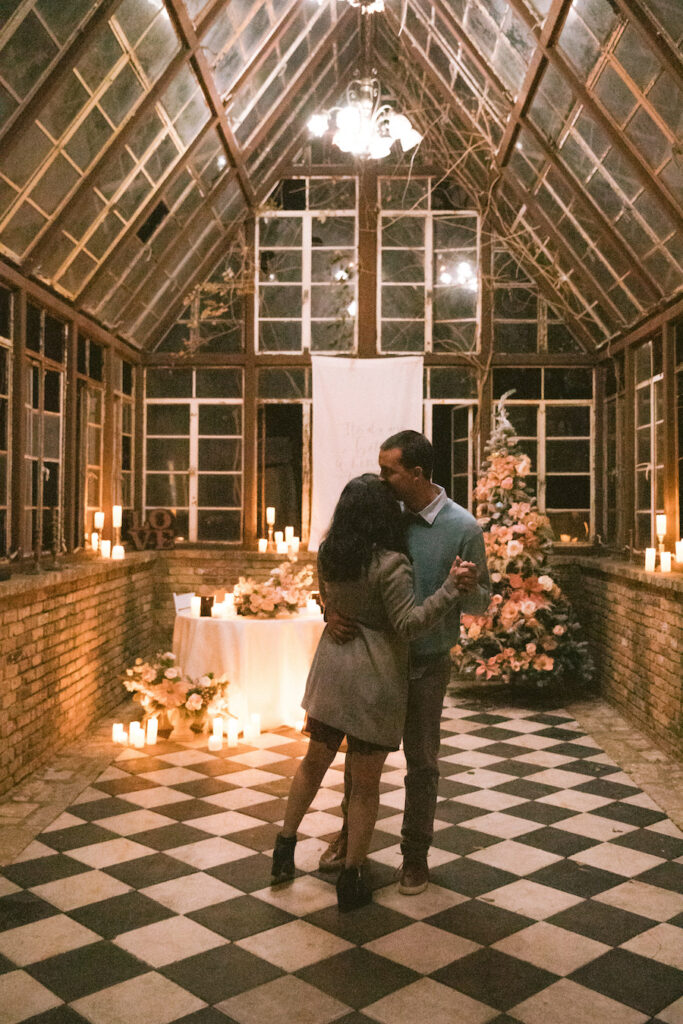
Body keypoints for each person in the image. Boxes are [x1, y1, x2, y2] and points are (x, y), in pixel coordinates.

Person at [271, 473, 479, 912]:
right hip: (372, 680)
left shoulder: (330, 554)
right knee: (365, 786)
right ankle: (351, 877)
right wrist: (449, 589)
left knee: (313, 765)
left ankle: (284, 850)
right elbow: (407, 623)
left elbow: (327, 596)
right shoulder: (389, 562)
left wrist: (331, 610)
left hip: (330, 673)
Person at [320, 430, 490, 895]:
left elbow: (480, 604)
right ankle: (348, 839)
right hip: (373, 662)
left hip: (425, 664)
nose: (382, 478)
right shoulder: (382, 514)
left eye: (389, 470)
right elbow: (340, 561)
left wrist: (467, 586)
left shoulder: (463, 528)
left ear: (416, 474)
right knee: (359, 760)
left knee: (422, 762)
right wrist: (328, 609)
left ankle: (415, 857)